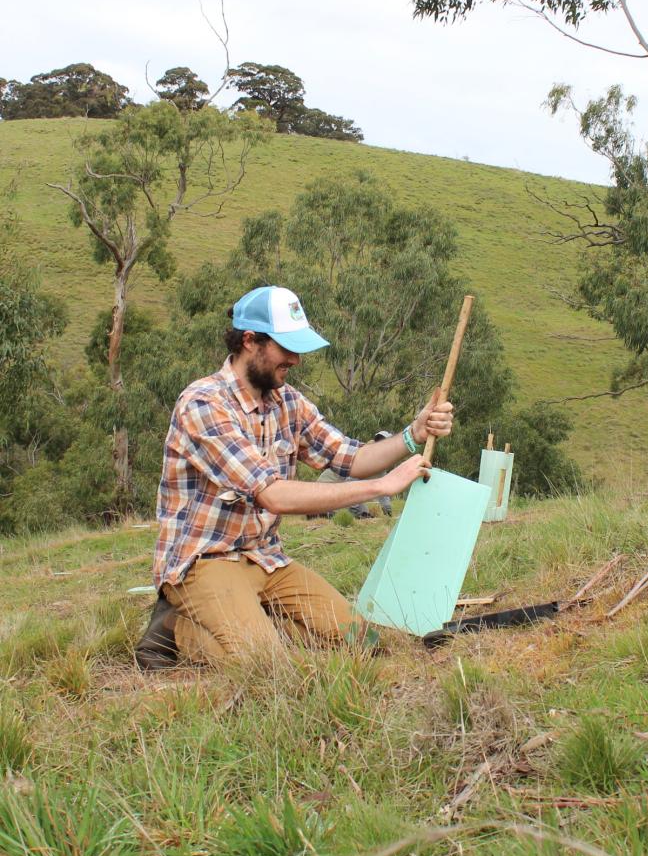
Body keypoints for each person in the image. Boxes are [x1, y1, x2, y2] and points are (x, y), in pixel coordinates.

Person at [135, 285, 453, 670]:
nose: (296, 360)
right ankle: (175, 629)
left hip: (265, 558)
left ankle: (255, 623)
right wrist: (380, 487)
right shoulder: (203, 404)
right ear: (250, 341)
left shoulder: (289, 402)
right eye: (286, 347)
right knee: (267, 665)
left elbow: (351, 458)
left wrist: (413, 434)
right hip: (205, 561)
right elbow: (272, 495)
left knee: (361, 640)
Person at [315, 430, 395, 519]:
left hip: (340, 484)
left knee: (363, 512)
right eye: (379, 441)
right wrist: (361, 513)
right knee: (361, 513)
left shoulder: (379, 463)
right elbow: (350, 488)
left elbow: (382, 488)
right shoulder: (363, 456)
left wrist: (387, 509)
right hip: (327, 485)